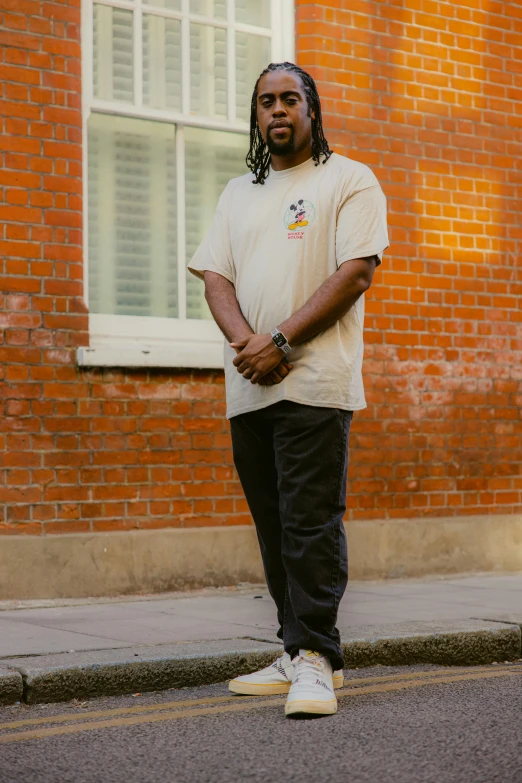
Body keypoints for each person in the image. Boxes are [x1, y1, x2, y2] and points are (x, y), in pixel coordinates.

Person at [188, 62, 389, 717]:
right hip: (249, 388)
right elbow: (216, 277)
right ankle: (293, 645)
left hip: (314, 385)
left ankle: (317, 660)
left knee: (309, 525)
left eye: (289, 99)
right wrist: (251, 343)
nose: (277, 110)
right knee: (274, 528)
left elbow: (355, 272)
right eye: (266, 101)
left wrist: (279, 343)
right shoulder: (236, 192)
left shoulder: (349, 179)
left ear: (312, 109)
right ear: (257, 116)